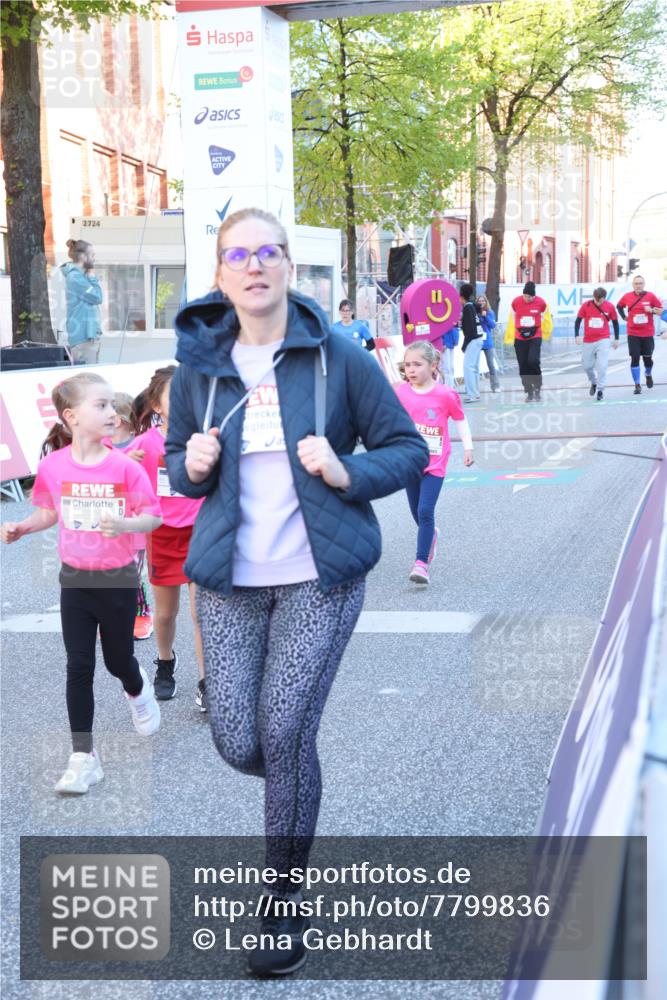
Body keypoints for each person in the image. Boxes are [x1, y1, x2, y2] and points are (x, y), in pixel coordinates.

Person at [163, 207, 427, 977]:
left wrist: (348, 472)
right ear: (219, 275)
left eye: (268, 252)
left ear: (288, 268)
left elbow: (406, 448)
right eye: (237, 255)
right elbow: (179, 465)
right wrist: (195, 464)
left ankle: (281, 900)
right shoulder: (197, 371)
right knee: (239, 740)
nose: (254, 266)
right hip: (230, 582)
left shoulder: (338, 358)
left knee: (281, 733)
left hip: (321, 576)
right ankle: (296, 781)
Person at [1, 373, 162, 794]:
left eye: (113, 405)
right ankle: (83, 757)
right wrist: (23, 527)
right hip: (74, 578)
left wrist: (126, 523)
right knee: (79, 665)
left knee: (117, 661)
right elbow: (48, 512)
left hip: (119, 577)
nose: (113, 413)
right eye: (102, 405)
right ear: (71, 417)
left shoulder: (125, 467)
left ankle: (137, 688)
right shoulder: (53, 466)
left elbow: (153, 515)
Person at [133, 366, 207, 712]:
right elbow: (112, 472)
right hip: (162, 535)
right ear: (157, 406)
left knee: (200, 613)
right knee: (165, 614)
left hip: (200, 531)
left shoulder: (205, 438)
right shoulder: (145, 444)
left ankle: (209, 683)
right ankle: (165, 662)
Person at [394, 341, 474, 584]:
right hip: (409, 462)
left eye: (417, 364)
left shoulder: (445, 394)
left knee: (425, 510)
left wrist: (468, 447)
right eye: (408, 365)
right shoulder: (400, 391)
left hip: (435, 463)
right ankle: (431, 535)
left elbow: (460, 419)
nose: (412, 369)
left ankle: (421, 564)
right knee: (416, 512)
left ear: (433, 366)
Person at [108, 392, 154, 641]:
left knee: (130, 572)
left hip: (135, 521)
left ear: (120, 419)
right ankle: (113, 617)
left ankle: (141, 614)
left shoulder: (141, 444)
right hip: (105, 521)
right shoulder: (100, 446)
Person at [617, 275, 663, 394]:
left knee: (648, 359)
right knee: (635, 358)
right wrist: (623, 317)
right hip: (633, 333)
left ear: (644, 284)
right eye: (636, 283)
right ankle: (637, 385)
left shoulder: (651, 296)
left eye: (640, 283)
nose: (638, 285)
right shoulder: (627, 296)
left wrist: (652, 310)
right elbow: (619, 306)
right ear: (633, 285)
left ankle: (648, 374)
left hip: (647, 333)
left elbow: (661, 310)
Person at [61, 240, 103, 365]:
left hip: (87, 337)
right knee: (88, 380)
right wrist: (92, 278)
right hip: (83, 339)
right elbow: (97, 298)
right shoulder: (75, 278)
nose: (94, 259)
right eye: (92, 255)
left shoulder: (80, 276)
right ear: (83, 257)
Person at [574, 287, 620, 401]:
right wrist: (577, 335)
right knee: (587, 366)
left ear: (604, 298)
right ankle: (593, 382)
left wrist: (617, 338)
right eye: (596, 300)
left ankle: (600, 389)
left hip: (603, 339)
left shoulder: (609, 306)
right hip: (588, 340)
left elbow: (615, 323)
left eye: (600, 300)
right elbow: (578, 321)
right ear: (593, 297)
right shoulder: (586, 305)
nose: (598, 302)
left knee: (602, 365)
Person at [510, 281, 547, 402]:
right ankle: (528, 390)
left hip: (535, 335)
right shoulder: (516, 302)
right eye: (525, 296)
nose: (527, 299)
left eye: (530, 297)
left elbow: (545, 315)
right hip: (520, 336)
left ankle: (537, 387)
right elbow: (514, 315)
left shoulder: (541, 303)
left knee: (533, 360)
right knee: (523, 364)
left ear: (534, 296)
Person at [459, 282, 484, 402]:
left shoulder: (468, 307)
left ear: (461, 296)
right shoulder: (472, 305)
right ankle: (476, 393)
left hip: (473, 339)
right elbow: (479, 307)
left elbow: (470, 329)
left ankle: (471, 394)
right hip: (479, 338)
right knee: (474, 367)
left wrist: (464, 345)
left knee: (468, 367)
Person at [477, 293, 501, 392]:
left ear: (486, 302)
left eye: (483, 301)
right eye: (479, 301)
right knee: (474, 365)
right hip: (476, 340)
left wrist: (485, 316)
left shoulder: (490, 312)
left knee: (491, 364)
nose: (481, 302)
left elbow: (492, 325)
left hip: (487, 342)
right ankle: (474, 388)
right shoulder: (474, 312)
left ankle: (495, 386)